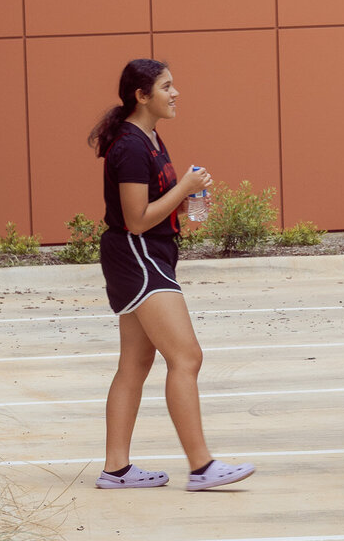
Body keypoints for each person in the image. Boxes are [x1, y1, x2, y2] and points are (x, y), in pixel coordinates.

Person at [87, 58, 254, 492]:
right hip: (139, 256)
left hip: (147, 253)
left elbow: (151, 207)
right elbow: (136, 220)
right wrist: (184, 188)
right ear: (142, 96)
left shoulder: (150, 137)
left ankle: (116, 470)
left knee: (135, 363)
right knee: (187, 357)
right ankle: (201, 467)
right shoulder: (130, 146)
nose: (175, 93)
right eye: (166, 86)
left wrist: (186, 199)